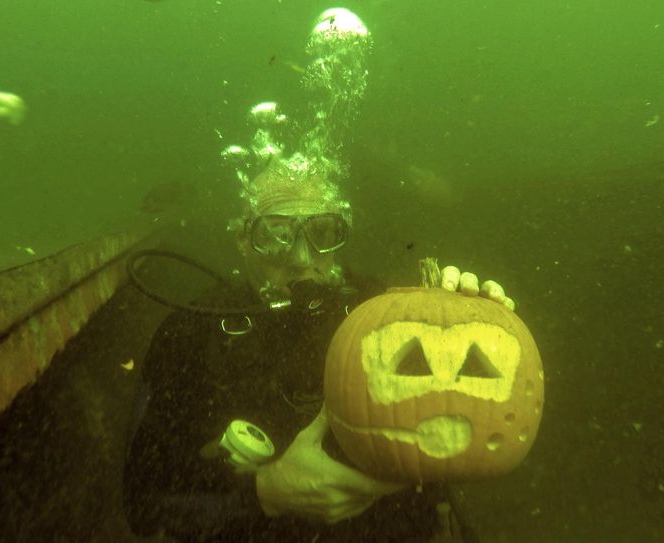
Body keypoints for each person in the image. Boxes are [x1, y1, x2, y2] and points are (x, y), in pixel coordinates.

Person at [122, 8, 514, 542]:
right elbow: (145, 504)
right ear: (243, 239)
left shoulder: (390, 312)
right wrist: (265, 493)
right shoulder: (191, 338)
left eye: (323, 231)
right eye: (276, 233)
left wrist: (470, 316)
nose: (302, 258)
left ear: (343, 230)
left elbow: (474, 421)